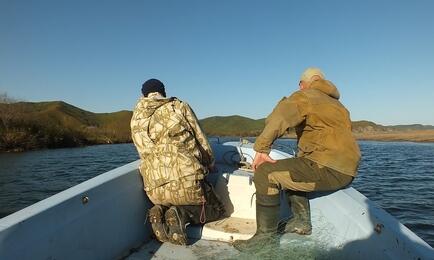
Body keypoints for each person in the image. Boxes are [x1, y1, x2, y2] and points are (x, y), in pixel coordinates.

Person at [233, 68, 361, 251]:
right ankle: (301, 222)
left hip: (328, 169)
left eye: (300, 84)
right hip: (347, 171)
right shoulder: (339, 106)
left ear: (303, 84)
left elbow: (279, 117)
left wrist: (261, 148)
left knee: (264, 173)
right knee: (294, 166)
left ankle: (265, 240)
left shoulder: (306, 96)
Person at [130, 78, 225, 245]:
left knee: (169, 199)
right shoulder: (179, 106)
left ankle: (160, 210)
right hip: (186, 183)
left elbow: (143, 152)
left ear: (143, 95)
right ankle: (182, 214)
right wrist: (210, 162)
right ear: (163, 92)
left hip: (154, 189)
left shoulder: (136, 118)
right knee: (217, 209)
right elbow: (201, 139)